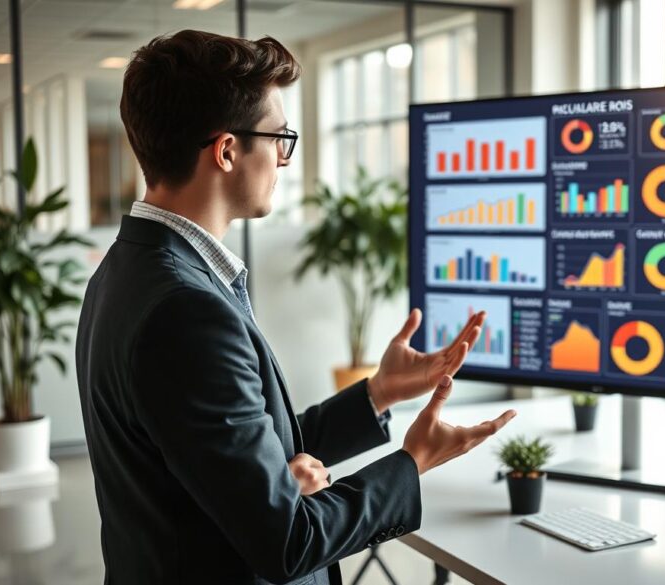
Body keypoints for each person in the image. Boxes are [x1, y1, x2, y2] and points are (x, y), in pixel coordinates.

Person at [75, 30, 516, 585]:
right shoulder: (185, 310)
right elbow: (288, 540)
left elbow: (236, 449)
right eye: (280, 138)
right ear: (226, 151)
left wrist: (378, 393)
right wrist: (413, 461)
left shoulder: (126, 269)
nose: (284, 159)